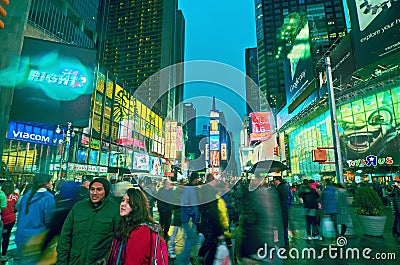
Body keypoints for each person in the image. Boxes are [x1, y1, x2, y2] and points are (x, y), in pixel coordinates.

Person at [56, 177, 120, 265]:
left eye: (99, 190)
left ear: (106, 191)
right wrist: (61, 262)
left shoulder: (115, 210)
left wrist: (107, 258)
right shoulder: (78, 207)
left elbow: (118, 241)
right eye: (92, 189)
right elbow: (65, 237)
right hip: (75, 261)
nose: (94, 193)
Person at [107, 188, 168, 265]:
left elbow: (133, 261)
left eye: (128, 202)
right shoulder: (125, 224)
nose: (123, 204)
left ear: (137, 206)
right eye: (123, 200)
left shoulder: (141, 230)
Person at [14, 173, 55, 262]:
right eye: (51, 181)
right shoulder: (48, 197)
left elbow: (18, 209)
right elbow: (48, 219)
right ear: (46, 183)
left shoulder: (27, 195)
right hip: (36, 238)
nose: (52, 183)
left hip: (21, 235)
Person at [0, 181, 17, 262]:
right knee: (6, 237)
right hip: (10, 220)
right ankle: (3, 255)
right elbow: (16, 207)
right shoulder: (15, 195)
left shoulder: (1, 194)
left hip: (1, 219)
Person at [273, 176, 289, 245]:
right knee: (284, 225)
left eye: (274, 180)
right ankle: (285, 240)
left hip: (280, 209)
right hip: (284, 209)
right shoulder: (283, 187)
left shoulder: (279, 188)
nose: (274, 182)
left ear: (278, 180)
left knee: (281, 225)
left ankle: (281, 240)